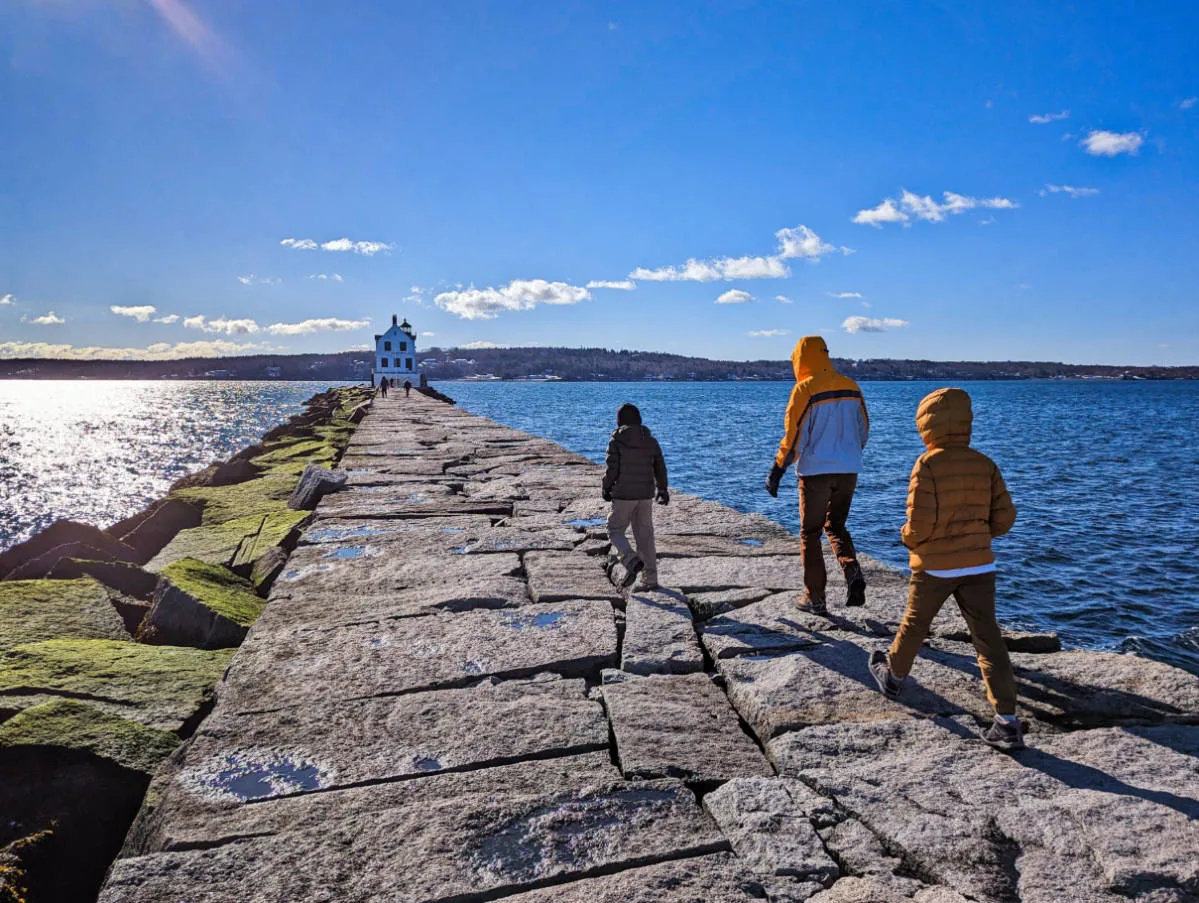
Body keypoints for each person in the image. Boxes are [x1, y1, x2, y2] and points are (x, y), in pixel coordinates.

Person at [868, 387, 1023, 751]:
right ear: (966, 422)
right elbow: (1005, 518)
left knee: (914, 625)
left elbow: (919, 524)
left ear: (927, 425)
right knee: (988, 638)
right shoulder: (984, 463)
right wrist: (980, 535)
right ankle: (1007, 721)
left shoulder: (928, 464)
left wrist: (908, 538)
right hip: (979, 564)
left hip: (935, 567)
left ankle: (892, 677)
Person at [765, 335, 869, 614]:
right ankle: (852, 572)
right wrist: (848, 454)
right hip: (848, 470)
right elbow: (863, 431)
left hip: (815, 474)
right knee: (836, 526)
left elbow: (794, 436)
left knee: (810, 533)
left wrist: (777, 470)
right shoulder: (851, 386)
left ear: (800, 359)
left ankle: (815, 597)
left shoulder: (804, 389)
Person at [602, 403, 669, 590]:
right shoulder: (651, 441)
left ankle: (630, 560)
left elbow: (612, 470)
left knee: (614, 530)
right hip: (645, 495)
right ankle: (651, 579)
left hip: (624, 495)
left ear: (619, 421)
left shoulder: (616, 441)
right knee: (645, 536)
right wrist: (662, 490)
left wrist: (605, 488)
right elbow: (660, 468)